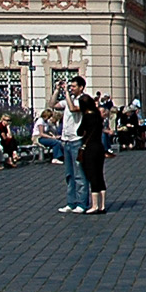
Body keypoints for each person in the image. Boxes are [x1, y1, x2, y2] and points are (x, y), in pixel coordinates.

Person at [75, 83, 108, 215]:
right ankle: (102, 205)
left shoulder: (87, 117)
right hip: (99, 147)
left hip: (89, 149)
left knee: (92, 175)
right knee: (100, 175)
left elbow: (79, 131)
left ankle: (94, 205)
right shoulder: (97, 116)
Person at [56, 80, 89, 213]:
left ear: (81, 87)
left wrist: (67, 95)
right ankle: (71, 202)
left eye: (74, 86)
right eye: (70, 86)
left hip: (77, 140)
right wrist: (57, 90)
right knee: (69, 174)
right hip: (66, 140)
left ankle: (82, 203)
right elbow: (53, 104)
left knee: (80, 173)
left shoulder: (84, 100)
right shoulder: (70, 99)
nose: (71, 89)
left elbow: (72, 109)